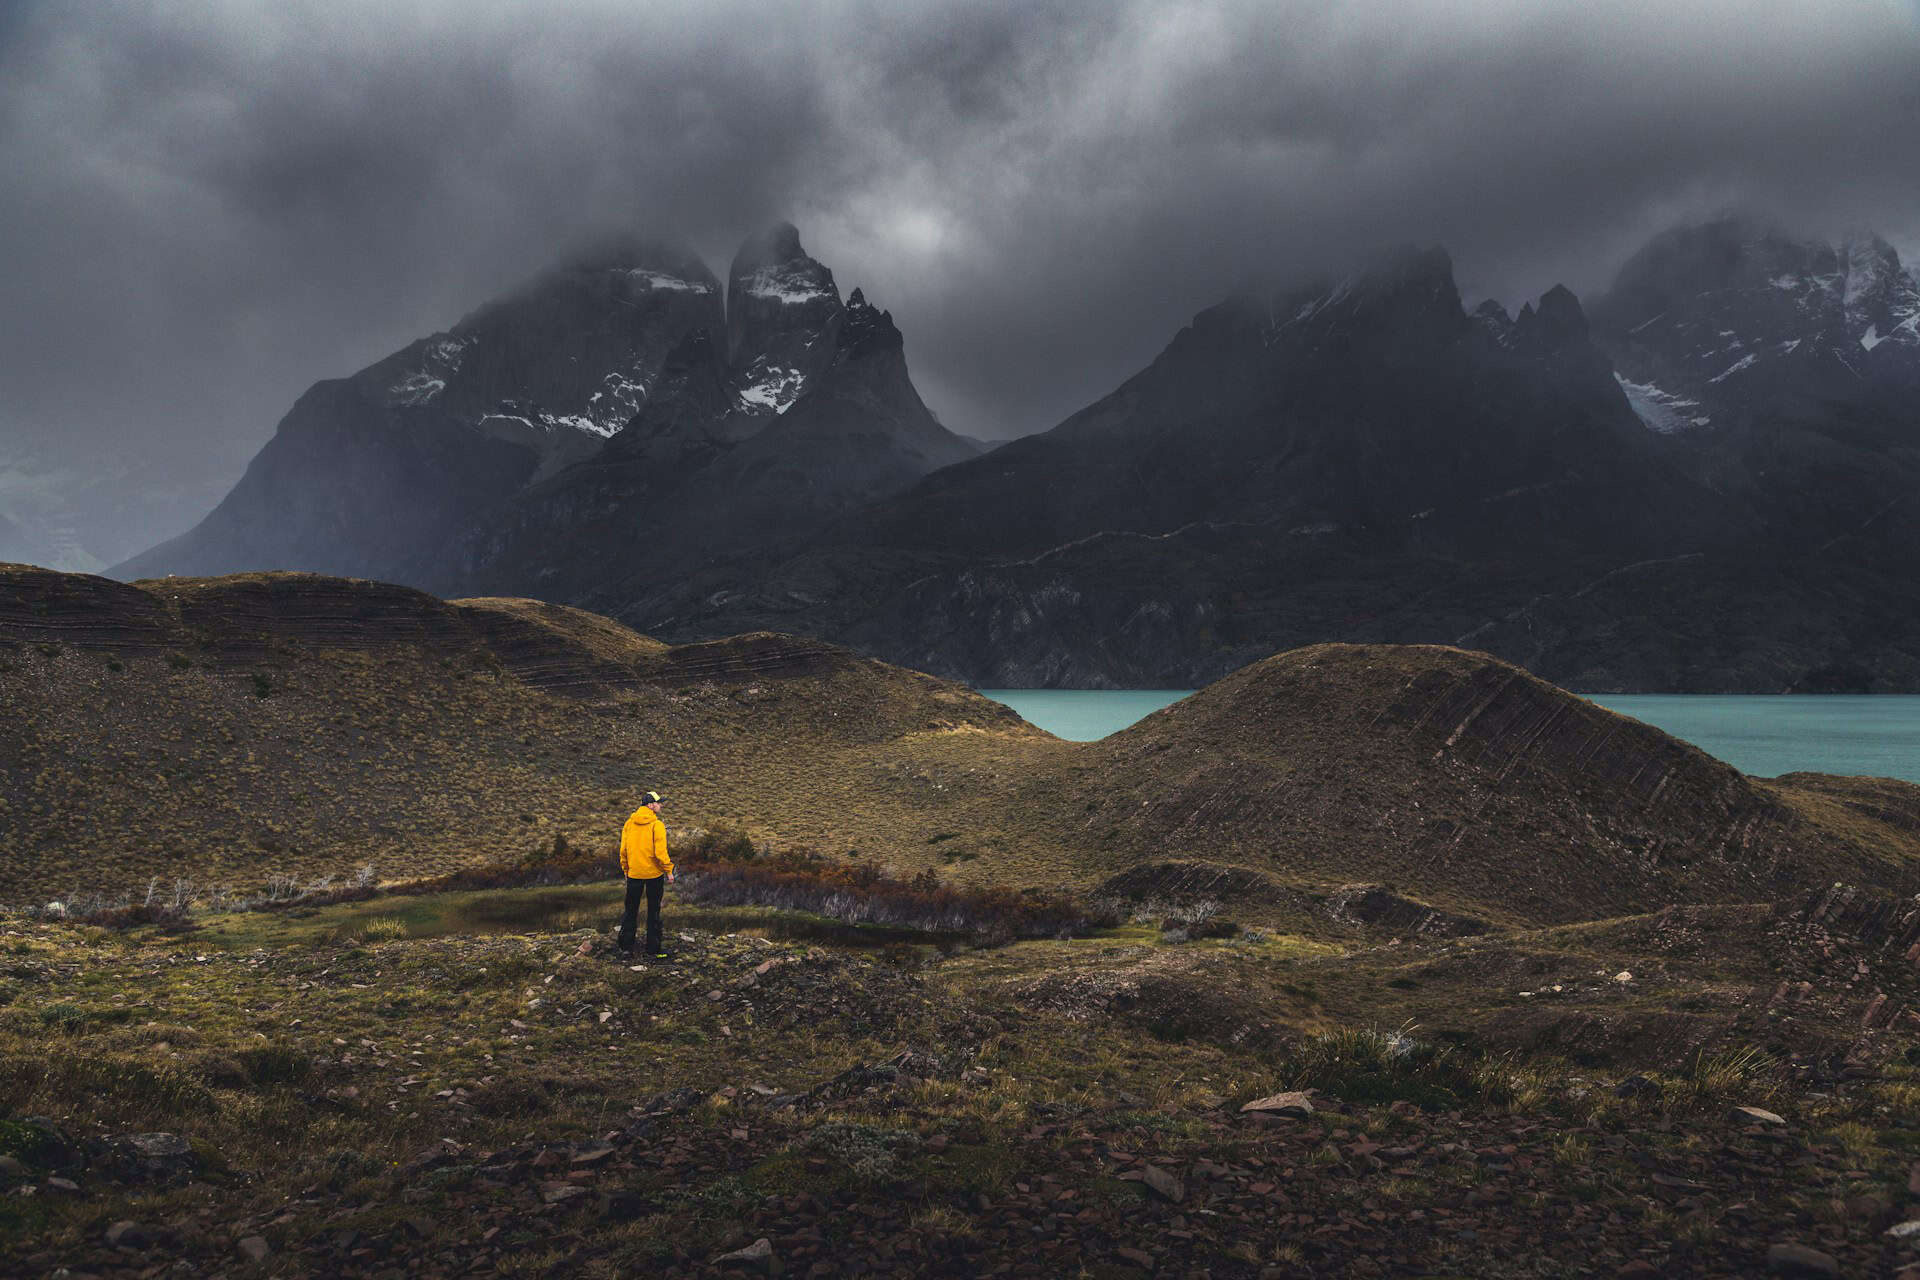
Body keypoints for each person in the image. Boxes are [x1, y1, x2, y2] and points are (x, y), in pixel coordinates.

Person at [617, 790, 674, 959]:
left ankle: (626, 948)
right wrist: (668, 870)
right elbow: (660, 852)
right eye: (658, 802)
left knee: (630, 911)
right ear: (650, 805)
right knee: (653, 911)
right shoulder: (657, 825)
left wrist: (626, 870)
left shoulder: (629, 823)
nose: (661, 805)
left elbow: (623, 850)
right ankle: (653, 950)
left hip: (634, 874)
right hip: (654, 875)